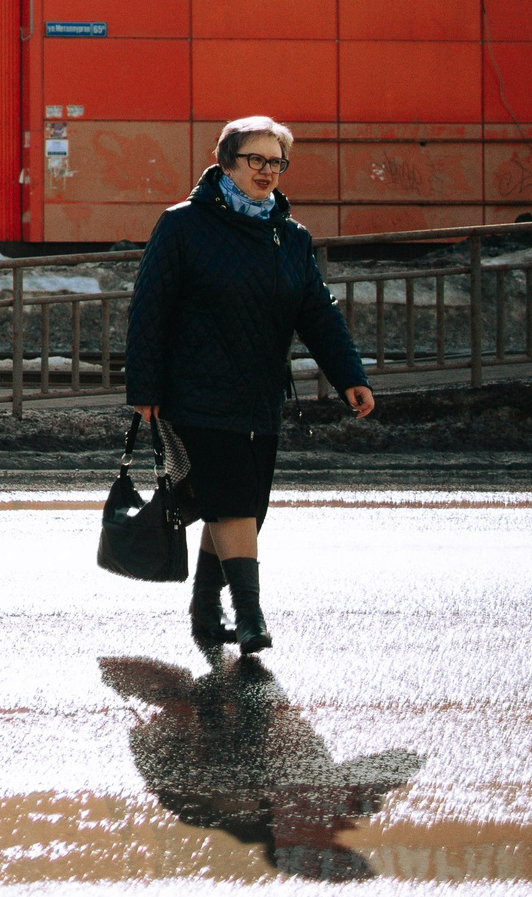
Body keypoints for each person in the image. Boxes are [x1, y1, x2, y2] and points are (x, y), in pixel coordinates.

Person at [127, 116, 374, 654]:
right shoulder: (183, 225)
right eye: (256, 160)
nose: (268, 171)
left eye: (276, 162)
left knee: (242, 504)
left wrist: (349, 375)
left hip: (260, 393)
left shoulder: (289, 235)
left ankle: (203, 609)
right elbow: (150, 308)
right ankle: (250, 616)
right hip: (194, 391)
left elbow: (318, 313)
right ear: (225, 164)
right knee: (235, 500)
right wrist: (144, 387)